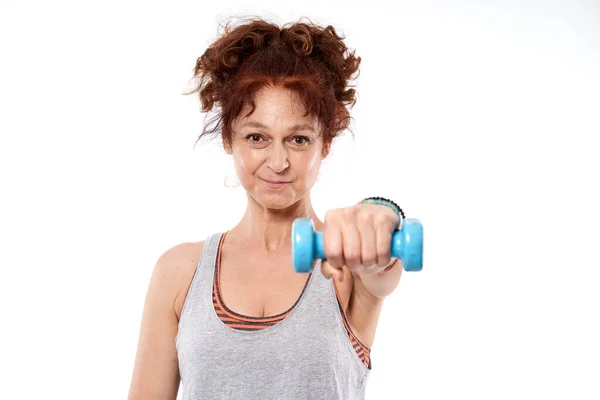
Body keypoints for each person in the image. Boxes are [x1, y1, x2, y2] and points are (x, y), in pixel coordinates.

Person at [128, 17, 405, 400]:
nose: (278, 162)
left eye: (298, 139)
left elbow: (382, 258)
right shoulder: (179, 272)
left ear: (325, 144)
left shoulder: (347, 261)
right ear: (229, 138)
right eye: (257, 136)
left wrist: (382, 211)